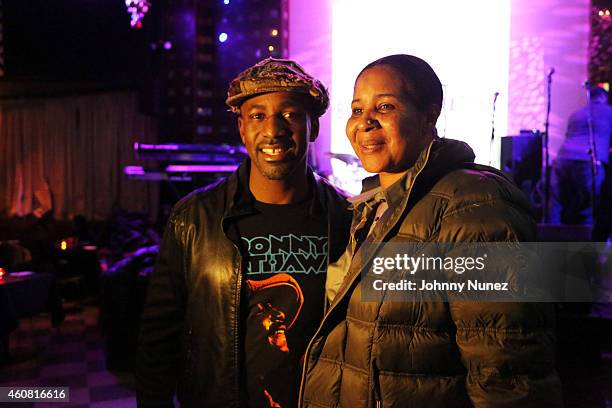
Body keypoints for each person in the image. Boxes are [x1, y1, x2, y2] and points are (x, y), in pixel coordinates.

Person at [299, 55, 563, 407]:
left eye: (386, 106)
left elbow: (507, 368)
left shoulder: (475, 204)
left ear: (429, 115)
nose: (365, 123)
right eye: (357, 109)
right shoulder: (371, 208)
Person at [136, 58, 351, 408]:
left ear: (313, 127)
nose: (273, 130)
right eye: (257, 115)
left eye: (290, 114)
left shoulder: (347, 219)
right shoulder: (194, 218)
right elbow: (158, 336)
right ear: (241, 128)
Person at [552, 86, 612, 227]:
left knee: (560, 204)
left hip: (563, 159)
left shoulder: (576, 114)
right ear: (603, 98)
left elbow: (569, 136)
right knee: (589, 206)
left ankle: (552, 241)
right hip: (589, 160)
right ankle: (586, 244)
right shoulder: (609, 111)